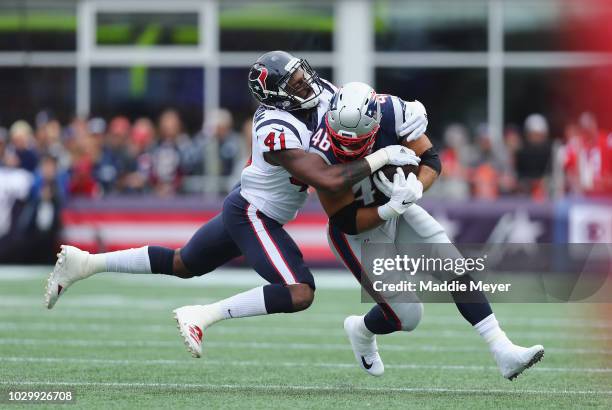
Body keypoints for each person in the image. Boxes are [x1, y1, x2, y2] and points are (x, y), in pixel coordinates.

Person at [44, 51, 428, 358]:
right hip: (255, 212)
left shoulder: (322, 93)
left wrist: (405, 110)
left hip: (242, 204)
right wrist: (382, 157)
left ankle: (87, 263)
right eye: (294, 83)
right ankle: (203, 315)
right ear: (275, 94)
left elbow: (362, 104)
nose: (305, 83)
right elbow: (326, 179)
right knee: (299, 291)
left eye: (302, 75)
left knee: (183, 263)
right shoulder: (274, 126)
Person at [309, 82, 544, 380]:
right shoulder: (317, 150)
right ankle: (360, 329)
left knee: (455, 267)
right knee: (408, 316)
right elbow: (344, 219)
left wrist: (416, 188)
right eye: (342, 140)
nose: (349, 147)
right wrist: (388, 209)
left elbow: (430, 159)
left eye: (359, 140)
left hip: (399, 206)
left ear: (376, 121)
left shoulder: (393, 112)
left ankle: (503, 349)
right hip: (357, 229)